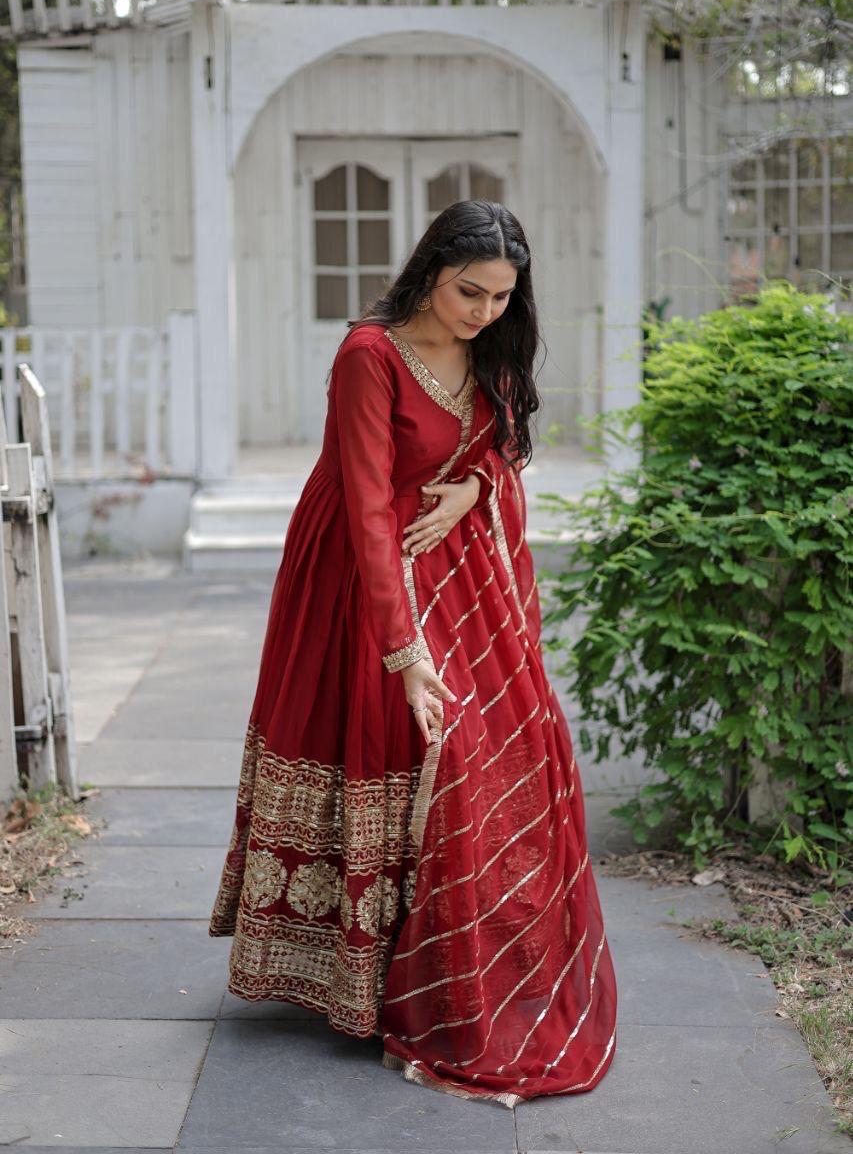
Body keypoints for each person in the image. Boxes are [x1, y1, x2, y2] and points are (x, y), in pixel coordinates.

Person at [209, 198, 617, 1107]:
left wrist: (476, 487)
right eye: (469, 292)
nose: (483, 311)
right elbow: (363, 504)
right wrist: (401, 652)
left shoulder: (491, 346)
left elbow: (503, 447)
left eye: (501, 297)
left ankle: (464, 966)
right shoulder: (370, 354)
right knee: (406, 741)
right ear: (430, 271)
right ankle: (360, 976)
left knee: (501, 752)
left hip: (461, 573)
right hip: (362, 575)